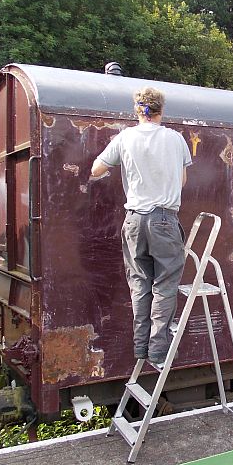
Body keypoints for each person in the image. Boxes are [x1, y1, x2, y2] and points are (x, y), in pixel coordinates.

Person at [91, 87, 192, 369]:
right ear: (162, 110)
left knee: (139, 284)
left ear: (137, 110)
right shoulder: (175, 139)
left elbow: (96, 169)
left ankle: (140, 346)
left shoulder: (125, 137)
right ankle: (158, 351)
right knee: (165, 283)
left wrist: (123, 171)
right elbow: (182, 180)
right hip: (164, 219)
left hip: (134, 220)